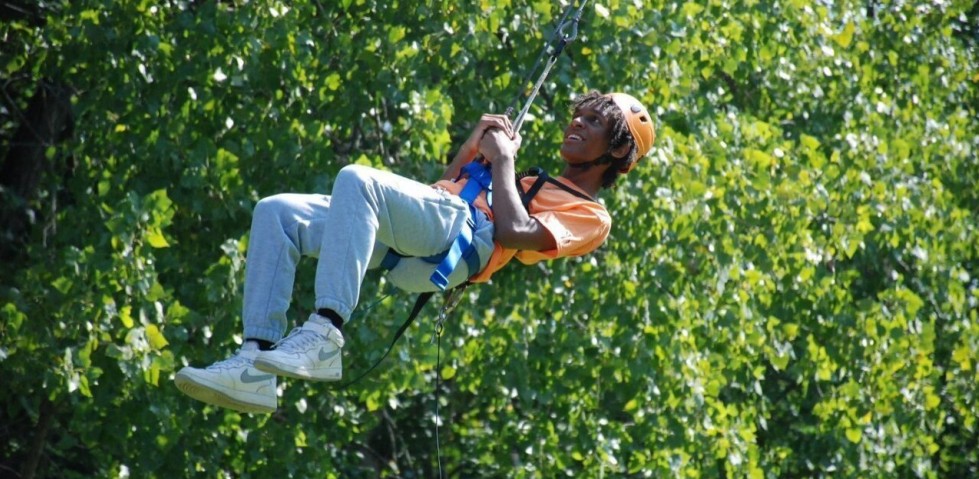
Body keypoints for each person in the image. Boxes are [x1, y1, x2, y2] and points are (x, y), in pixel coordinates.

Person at [174, 91, 655, 413]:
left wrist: (504, 160)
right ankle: (253, 366)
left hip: (465, 240)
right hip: (434, 228)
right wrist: (473, 148)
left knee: (357, 178)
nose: (576, 122)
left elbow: (514, 231)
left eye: (594, 121)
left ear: (615, 152)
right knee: (277, 212)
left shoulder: (591, 216)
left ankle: (324, 335)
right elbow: (437, 192)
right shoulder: (525, 180)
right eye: (579, 114)